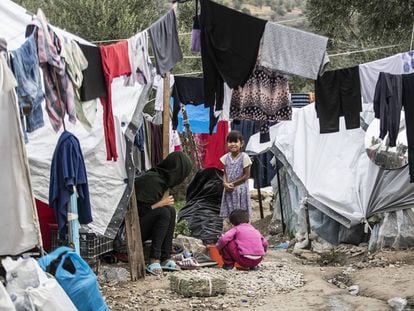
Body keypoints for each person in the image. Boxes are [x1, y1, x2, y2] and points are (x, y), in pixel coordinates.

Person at [134, 151, 192, 275]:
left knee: (170, 210)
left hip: (142, 224)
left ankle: (165, 257)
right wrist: (159, 204)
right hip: (130, 231)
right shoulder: (152, 181)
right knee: (163, 212)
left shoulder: (160, 181)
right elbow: (136, 213)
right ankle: (154, 259)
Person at [220, 130, 252, 218]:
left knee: (241, 212)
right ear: (227, 144)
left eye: (235, 141)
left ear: (241, 144)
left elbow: (246, 175)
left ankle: (242, 229)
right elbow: (225, 173)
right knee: (230, 211)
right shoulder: (225, 158)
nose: (233, 144)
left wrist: (232, 184)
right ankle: (232, 228)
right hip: (229, 190)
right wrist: (225, 183)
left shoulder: (244, 157)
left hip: (240, 190)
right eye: (230, 142)